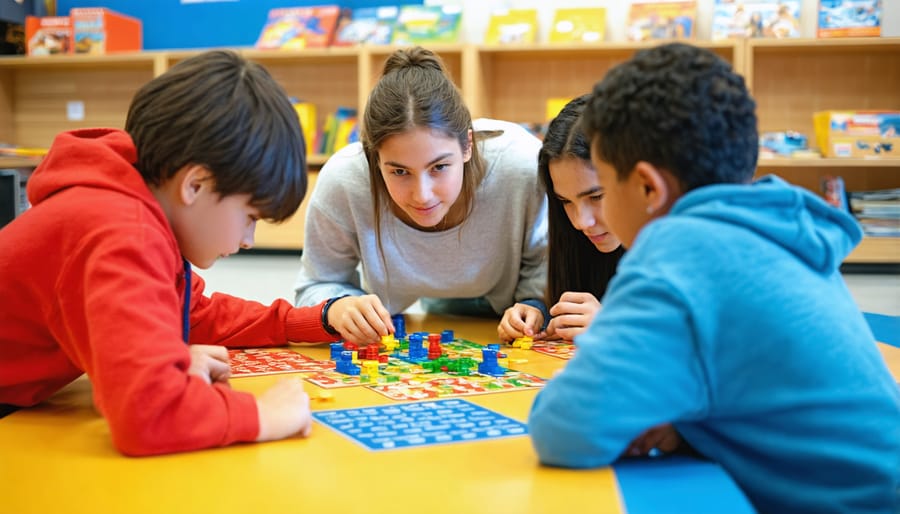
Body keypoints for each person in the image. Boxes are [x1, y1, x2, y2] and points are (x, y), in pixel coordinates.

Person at [528, 43, 900, 513]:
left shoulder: (679, 258)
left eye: (602, 182)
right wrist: (687, 424)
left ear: (647, 186)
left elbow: (563, 430)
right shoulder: (772, 226)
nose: (583, 219)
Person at [0, 50, 342, 456]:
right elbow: (148, 416)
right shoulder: (121, 230)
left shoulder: (129, 207)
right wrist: (263, 415)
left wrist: (309, 320)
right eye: (250, 216)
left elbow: (195, 313)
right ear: (195, 185)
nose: (249, 239)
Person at [294, 46, 548, 345]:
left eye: (439, 167)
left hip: (507, 311)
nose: (422, 195)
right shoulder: (344, 179)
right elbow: (316, 284)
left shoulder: (521, 164)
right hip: (425, 316)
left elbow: (546, 262)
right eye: (399, 172)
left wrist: (535, 303)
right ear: (374, 159)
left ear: (467, 146)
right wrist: (337, 306)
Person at [497, 95, 624, 343]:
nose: (581, 223)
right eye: (566, 202)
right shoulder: (577, 236)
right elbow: (575, 298)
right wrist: (539, 312)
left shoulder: (687, 237)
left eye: (596, 196)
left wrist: (615, 327)